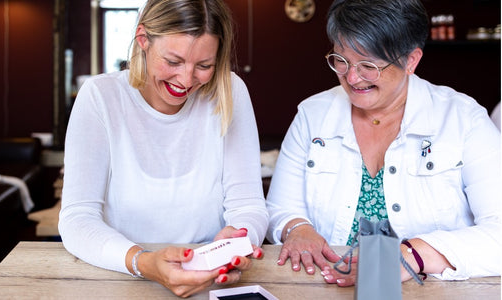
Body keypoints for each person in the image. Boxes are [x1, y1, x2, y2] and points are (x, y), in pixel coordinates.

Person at [266, 0, 501, 287]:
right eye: (341, 60)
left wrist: (414, 253)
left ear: (411, 61)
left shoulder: (464, 120)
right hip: (328, 287)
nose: (352, 78)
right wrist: (297, 228)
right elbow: (280, 207)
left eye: (369, 66)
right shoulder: (312, 115)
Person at [58, 0, 268, 297]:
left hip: (210, 282)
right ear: (143, 39)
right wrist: (142, 262)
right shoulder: (100, 97)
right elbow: (77, 219)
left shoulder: (230, 90)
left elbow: (248, 206)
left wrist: (237, 241)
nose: (186, 80)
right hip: (119, 277)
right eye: (173, 61)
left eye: (204, 65)